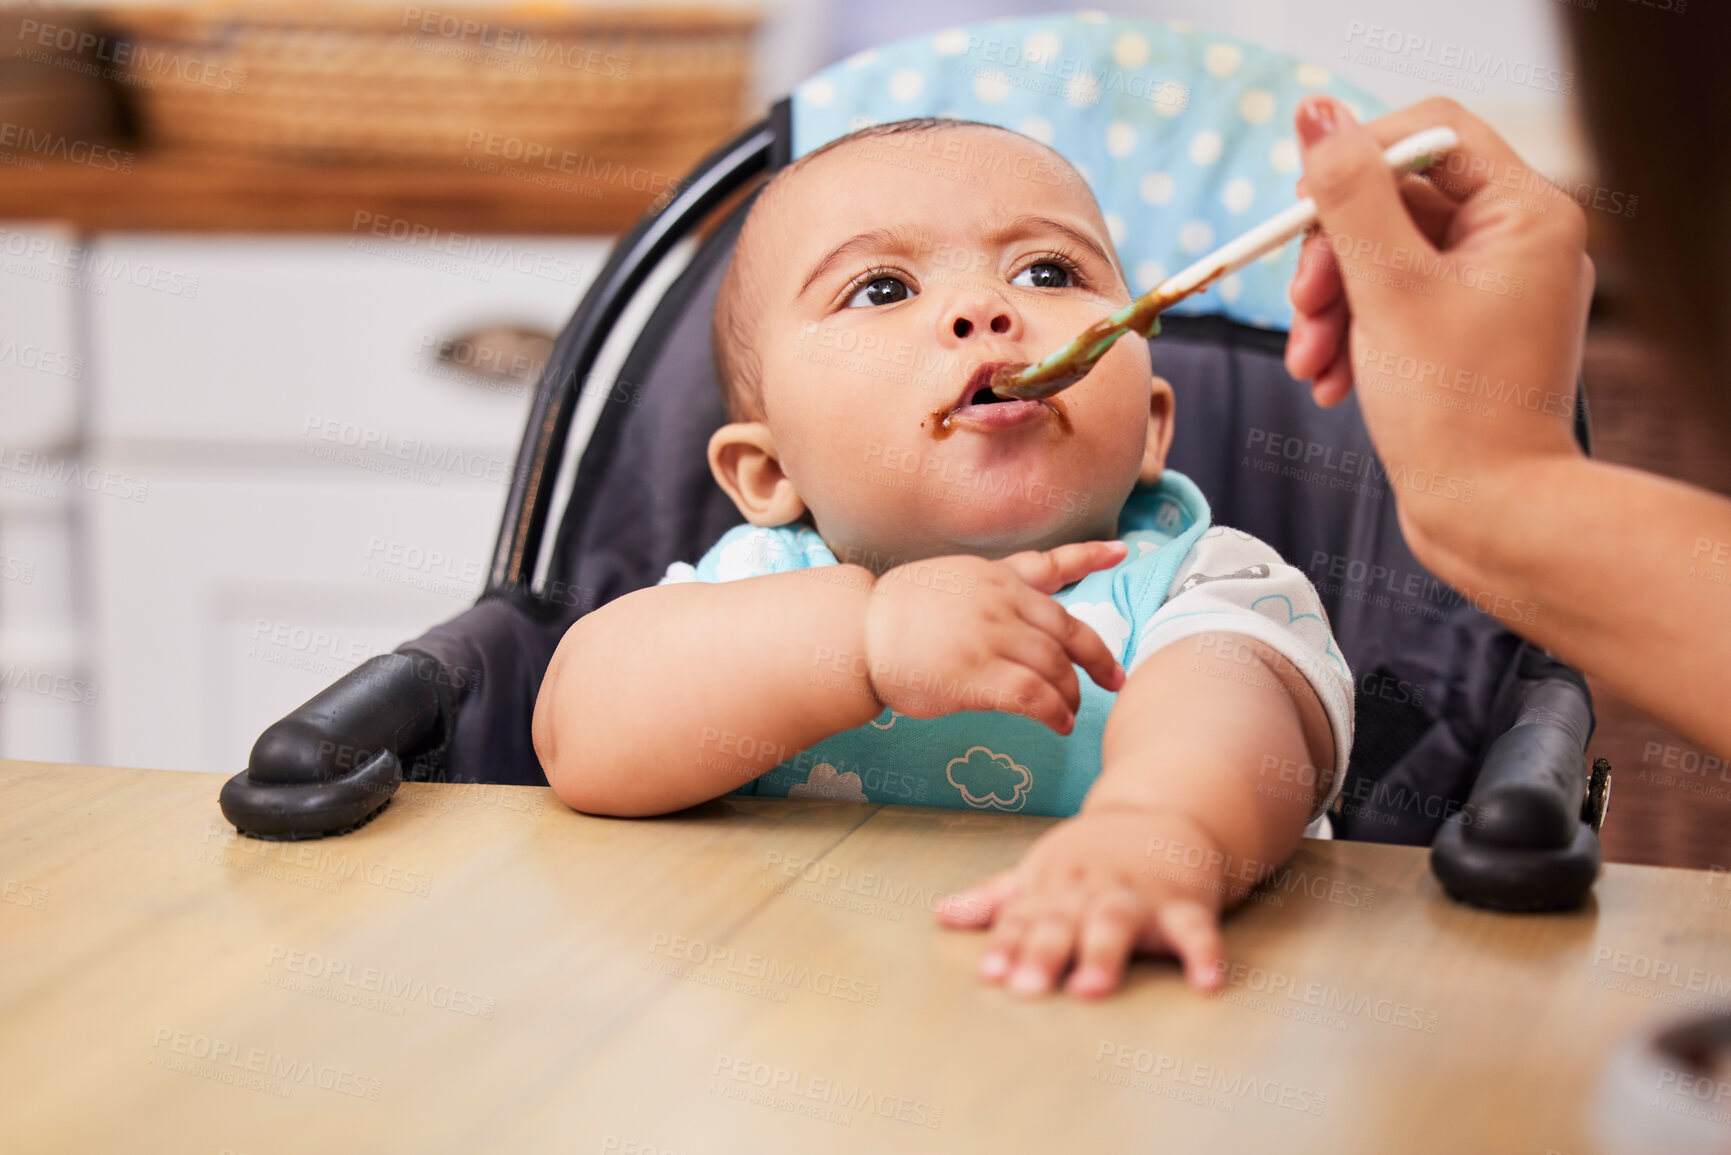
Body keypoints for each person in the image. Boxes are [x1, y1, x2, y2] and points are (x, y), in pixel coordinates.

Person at [532, 117, 1357, 999]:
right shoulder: (762, 588)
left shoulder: (1203, 581)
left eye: (1047, 272)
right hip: (811, 1021)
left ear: (1152, 427)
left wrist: (1157, 829)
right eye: (881, 288)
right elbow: (578, 732)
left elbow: (1235, 716)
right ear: (770, 471)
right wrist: (864, 638)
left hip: (1114, 1018)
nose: (984, 310)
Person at [1282, 86, 1731, 760]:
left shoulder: (1215, 595)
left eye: (1058, 272)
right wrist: (1498, 488)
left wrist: (1496, 489)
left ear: (1160, 417)